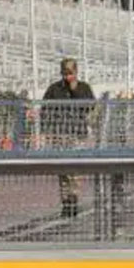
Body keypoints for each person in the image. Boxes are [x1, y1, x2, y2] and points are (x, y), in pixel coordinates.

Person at [43, 57, 96, 217]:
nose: (67, 77)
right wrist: (47, 132)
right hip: (60, 133)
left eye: (70, 73)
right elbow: (45, 110)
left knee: (75, 169)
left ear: (76, 72)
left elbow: (89, 106)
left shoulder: (84, 88)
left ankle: (73, 200)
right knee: (63, 170)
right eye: (65, 73)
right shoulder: (54, 89)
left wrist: (75, 90)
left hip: (77, 134)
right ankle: (66, 202)